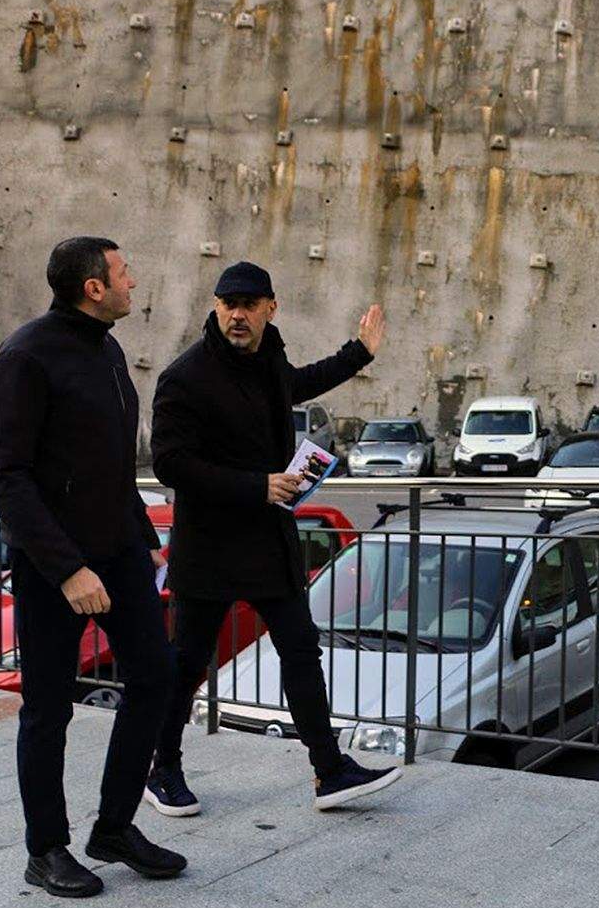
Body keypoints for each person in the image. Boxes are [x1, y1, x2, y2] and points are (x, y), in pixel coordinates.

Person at [147, 261, 400, 816]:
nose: (237, 315)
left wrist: (360, 352)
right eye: (228, 304)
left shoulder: (269, 362)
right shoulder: (185, 376)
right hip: (209, 547)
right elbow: (169, 462)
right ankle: (162, 768)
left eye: (248, 305)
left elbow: (301, 382)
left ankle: (329, 770)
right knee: (188, 663)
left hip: (268, 543)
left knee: (301, 652)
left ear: (270, 309)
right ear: (216, 308)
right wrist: (255, 485)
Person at [0, 237, 186, 899]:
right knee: (48, 708)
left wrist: (140, 535)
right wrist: (68, 569)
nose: (133, 281)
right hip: (53, 565)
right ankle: (45, 849)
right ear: (93, 287)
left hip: (119, 551)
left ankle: (114, 828)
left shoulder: (108, 349)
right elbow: (7, 475)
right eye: (123, 272)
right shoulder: (26, 355)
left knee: (155, 676)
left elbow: (109, 462)